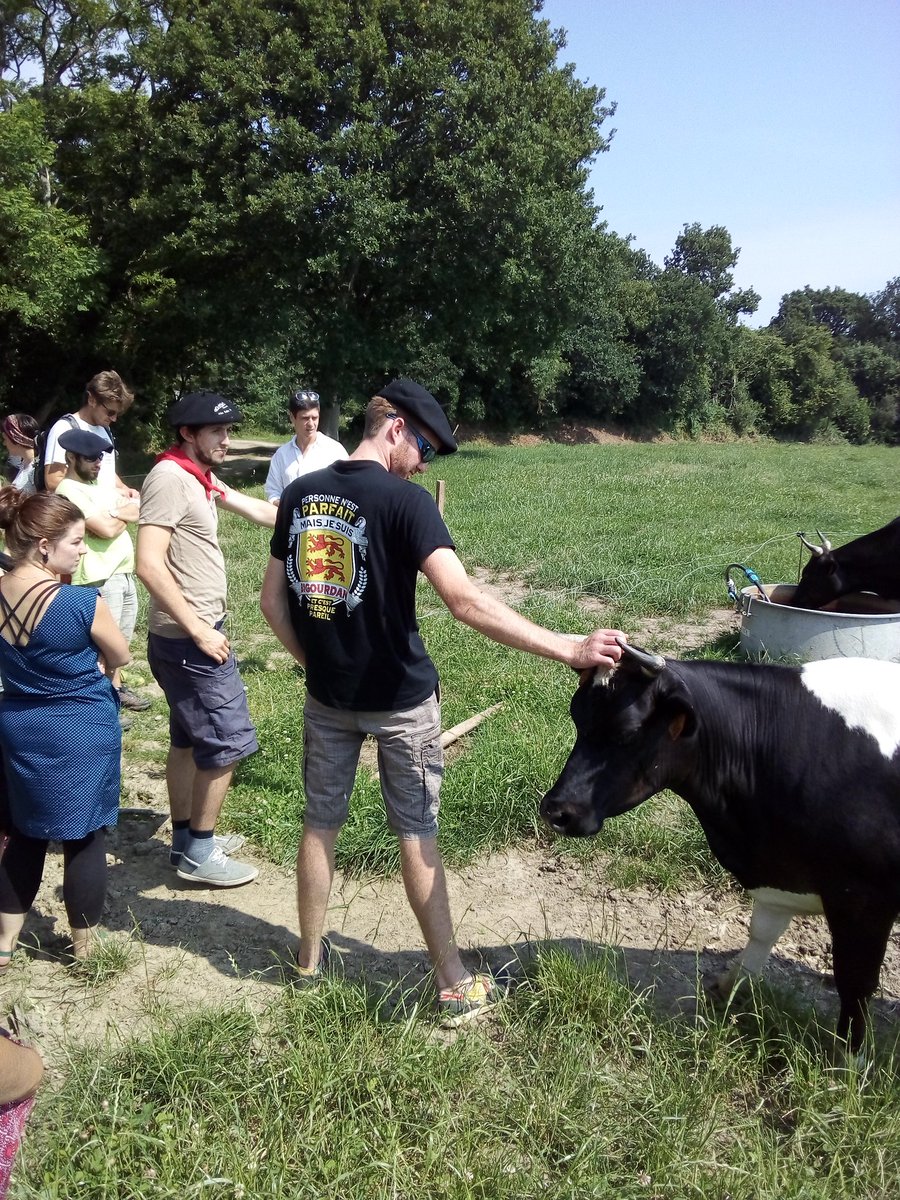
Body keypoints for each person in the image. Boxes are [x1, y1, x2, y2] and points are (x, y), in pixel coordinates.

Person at [260, 378, 626, 1025]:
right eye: (425, 446)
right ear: (394, 426)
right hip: (402, 703)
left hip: (327, 699)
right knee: (416, 832)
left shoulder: (297, 494)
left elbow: (270, 603)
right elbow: (466, 601)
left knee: (321, 826)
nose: (426, 464)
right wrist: (569, 647)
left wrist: (321, 665)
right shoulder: (407, 504)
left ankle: (309, 964)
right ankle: (453, 982)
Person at [136, 390, 277, 887]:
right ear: (188, 434)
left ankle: (185, 840)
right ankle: (199, 852)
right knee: (228, 743)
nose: (227, 440)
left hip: (188, 637)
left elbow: (258, 511)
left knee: (188, 741)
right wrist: (198, 629)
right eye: (217, 431)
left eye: (229, 430)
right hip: (190, 639)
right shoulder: (169, 479)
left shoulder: (199, 476)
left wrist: (320, 511)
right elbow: (148, 563)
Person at [0, 489, 129, 963]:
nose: (83, 549)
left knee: (25, 832)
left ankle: (3, 944)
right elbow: (120, 654)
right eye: (76, 541)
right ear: (43, 545)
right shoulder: (79, 602)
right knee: (84, 837)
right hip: (79, 728)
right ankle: (86, 951)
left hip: (17, 725)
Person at [55, 428, 148, 712]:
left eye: (101, 458)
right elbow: (106, 529)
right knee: (102, 648)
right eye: (91, 458)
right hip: (97, 576)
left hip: (122, 572)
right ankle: (98, 704)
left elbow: (136, 507)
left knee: (120, 643)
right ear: (71, 458)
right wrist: (122, 514)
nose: (98, 462)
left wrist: (119, 513)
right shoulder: (67, 490)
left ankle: (115, 694)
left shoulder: (100, 487)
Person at [42, 370, 138, 500]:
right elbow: (53, 481)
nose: (114, 419)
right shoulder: (65, 428)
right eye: (110, 412)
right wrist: (105, 493)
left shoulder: (105, 430)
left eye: (117, 414)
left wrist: (124, 489)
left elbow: (106, 472)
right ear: (92, 400)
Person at [264, 388, 348, 504]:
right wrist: (287, 507)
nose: (311, 424)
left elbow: (348, 488)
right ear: (292, 418)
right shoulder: (281, 455)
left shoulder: (335, 451)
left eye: (314, 418)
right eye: (305, 418)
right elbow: (273, 492)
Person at [1, 416, 39, 494]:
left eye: (5, 439)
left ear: (16, 439)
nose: (4, 443)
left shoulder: (36, 470)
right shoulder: (24, 464)